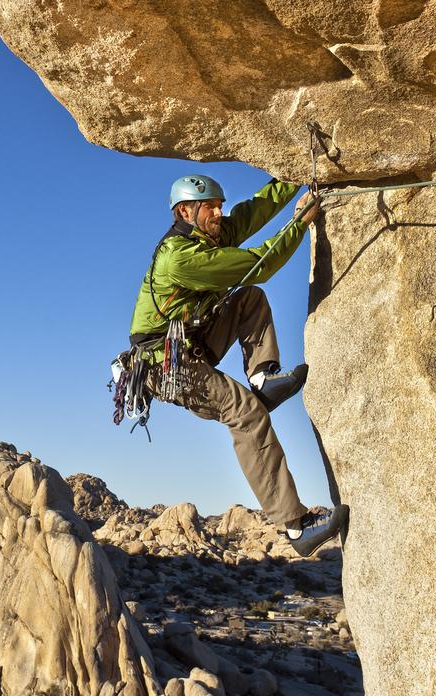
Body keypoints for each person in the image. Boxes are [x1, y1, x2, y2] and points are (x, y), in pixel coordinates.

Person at [128, 174, 346, 557]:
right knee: (246, 415)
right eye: (211, 207)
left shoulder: (208, 235)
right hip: (166, 365)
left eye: (219, 205)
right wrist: (298, 224)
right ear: (185, 211)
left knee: (248, 298)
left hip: (192, 346)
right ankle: (295, 529)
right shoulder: (181, 257)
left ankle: (262, 376)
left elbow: (252, 213)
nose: (219, 212)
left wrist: (291, 177)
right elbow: (258, 263)